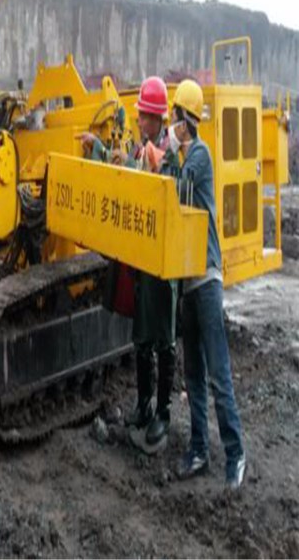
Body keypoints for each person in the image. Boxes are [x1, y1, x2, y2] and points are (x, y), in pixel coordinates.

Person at [81, 77, 178, 451]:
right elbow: (128, 173)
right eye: (139, 116)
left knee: (163, 338)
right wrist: (100, 149)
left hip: (163, 265)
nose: (138, 121)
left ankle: (163, 413)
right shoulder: (143, 149)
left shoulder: (170, 153)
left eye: (143, 116)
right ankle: (143, 405)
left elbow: (171, 188)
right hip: (141, 261)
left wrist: (154, 165)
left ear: (157, 118)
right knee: (141, 338)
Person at [169, 79, 247, 490]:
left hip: (207, 279)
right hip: (189, 283)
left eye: (174, 118)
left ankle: (236, 454)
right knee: (195, 375)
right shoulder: (188, 155)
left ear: (186, 120)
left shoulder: (198, 154)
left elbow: (177, 188)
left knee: (218, 372)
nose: (171, 124)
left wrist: (166, 155)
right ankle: (199, 450)